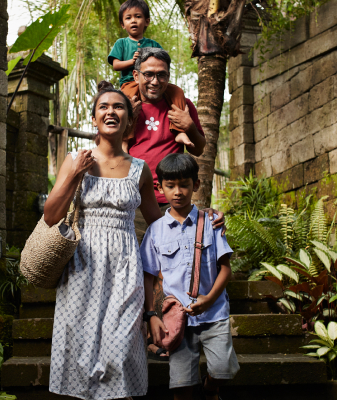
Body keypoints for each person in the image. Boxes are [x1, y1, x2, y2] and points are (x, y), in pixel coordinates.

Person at [42, 81, 163, 399]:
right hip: (81, 268)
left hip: (125, 268)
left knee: (121, 351)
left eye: (119, 106)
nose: (111, 111)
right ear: (94, 118)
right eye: (104, 107)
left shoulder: (141, 170)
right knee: (80, 353)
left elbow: (159, 223)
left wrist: (200, 222)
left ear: (128, 118)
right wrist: (73, 174)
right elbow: (51, 216)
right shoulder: (75, 160)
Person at [141, 153, 239, 400]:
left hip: (213, 314)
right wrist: (152, 315)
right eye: (170, 185)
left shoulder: (212, 222)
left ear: (196, 185)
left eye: (184, 184)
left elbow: (225, 268)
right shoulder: (155, 232)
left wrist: (209, 299)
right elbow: (149, 277)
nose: (178, 192)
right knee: (181, 385)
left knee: (223, 370)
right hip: (178, 320)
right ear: (159, 187)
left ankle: (209, 388)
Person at [126, 47, 208, 239]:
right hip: (134, 199)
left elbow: (198, 149)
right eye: (149, 75)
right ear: (136, 76)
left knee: (173, 261)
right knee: (137, 260)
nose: (155, 81)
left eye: (162, 75)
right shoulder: (126, 107)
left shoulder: (182, 106)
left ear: (168, 76)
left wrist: (189, 126)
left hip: (173, 199)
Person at [108, 0, 192, 147]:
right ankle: (125, 140)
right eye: (128, 18)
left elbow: (163, 61)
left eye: (138, 16)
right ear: (122, 24)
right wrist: (131, 61)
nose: (133, 20)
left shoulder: (154, 44)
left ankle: (179, 132)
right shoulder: (121, 43)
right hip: (129, 83)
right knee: (127, 106)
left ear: (146, 21)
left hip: (152, 81)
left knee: (177, 92)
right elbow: (115, 65)